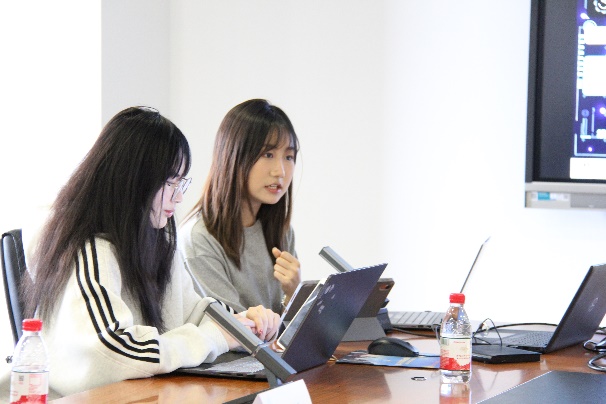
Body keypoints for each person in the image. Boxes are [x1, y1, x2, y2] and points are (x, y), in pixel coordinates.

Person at [21, 106, 280, 396]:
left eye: (181, 182)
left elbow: (192, 311)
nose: (178, 197)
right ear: (131, 182)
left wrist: (243, 323)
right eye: (170, 183)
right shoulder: (89, 252)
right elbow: (112, 350)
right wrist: (214, 337)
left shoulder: (155, 242)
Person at [180, 99, 301, 314]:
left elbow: (291, 329)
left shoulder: (281, 231)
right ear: (234, 156)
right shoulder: (199, 239)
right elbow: (232, 328)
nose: (280, 171)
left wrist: (294, 294)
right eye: (268, 155)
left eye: (289, 157)